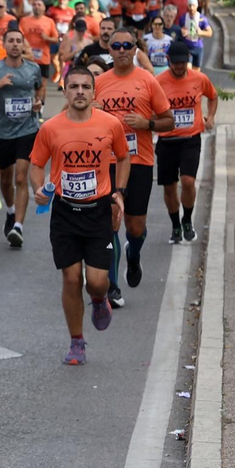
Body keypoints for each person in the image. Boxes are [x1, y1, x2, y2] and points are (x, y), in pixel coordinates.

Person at [30, 68, 129, 366]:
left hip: (98, 210)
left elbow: (123, 157)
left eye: (86, 86)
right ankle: (77, 342)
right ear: (65, 91)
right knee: (71, 278)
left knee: (97, 282)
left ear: (95, 92)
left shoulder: (111, 124)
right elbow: (36, 165)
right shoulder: (51, 128)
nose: (80, 91)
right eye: (74, 86)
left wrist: (119, 192)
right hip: (64, 212)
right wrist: (39, 189)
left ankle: (99, 301)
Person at [94, 28, 172, 296]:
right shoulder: (100, 82)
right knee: (111, 221)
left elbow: (169, 120)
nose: (123, 49)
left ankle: (134, 253)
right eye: (117, 45)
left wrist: (147, 123)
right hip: (106, 162)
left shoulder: (148, 80)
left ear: (135, 49)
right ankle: (113, 286)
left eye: (128, 45)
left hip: (139, 161)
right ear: (110, 50)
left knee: (134, 227)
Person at [0, 28, 45, 247]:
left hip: (28, 130)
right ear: (4, 44)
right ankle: (11, 212)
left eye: (18, 41)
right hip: (3, 132)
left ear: (23, 45)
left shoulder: (33, 68)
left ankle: (18, 227)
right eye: (10, 41)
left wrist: (39, 103)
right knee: (6, 179)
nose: (15, 44)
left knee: (21, 178)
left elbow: (40, 90)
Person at [155, 41, 217, 244]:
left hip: (190, 139)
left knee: (188, 181)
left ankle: (187, 220)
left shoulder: (199, 78)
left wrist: (210, 116)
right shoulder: (159, 82)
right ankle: (175, 225)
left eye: (183, 63)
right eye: (175, 63)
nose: (179, 67)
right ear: (168, 61)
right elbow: (148, 106)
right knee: (169, 187)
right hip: (167, 140)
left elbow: (213, 96)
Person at [177, 0, 211, 69]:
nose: (191, 8)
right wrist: (181, 31)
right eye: (190, 5)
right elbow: (177, 30)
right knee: (188, 69)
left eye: (193, 5)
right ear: (187, 6)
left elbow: (210, 33)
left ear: (197, 6)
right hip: (186, 47)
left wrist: (201, 32)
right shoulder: (183, 18)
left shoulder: (202, 18)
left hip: (198, 47)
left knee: (196, 70)